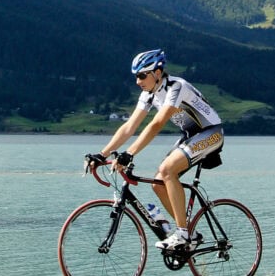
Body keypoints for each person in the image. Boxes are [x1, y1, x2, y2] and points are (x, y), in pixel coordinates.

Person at [87, 49, 224, 250]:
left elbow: (157, 123)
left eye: (142, 75)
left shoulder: (176, 87)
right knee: (158, 183)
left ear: (157, 72)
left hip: (211, 133)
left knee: (168, 170)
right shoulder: (148, 94)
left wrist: (130, 153)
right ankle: (189, 233)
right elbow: (129, 127)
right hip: (191, 136)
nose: (138, 81)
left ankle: (183, 235)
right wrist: (102, 154)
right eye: (136, 76)